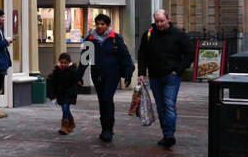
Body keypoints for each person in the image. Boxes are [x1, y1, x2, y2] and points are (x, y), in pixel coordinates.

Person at [137, 8, 194, 148]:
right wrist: (142, 72)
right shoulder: (149, 35)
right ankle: (165, 134)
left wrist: (178, 70)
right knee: (161, 106)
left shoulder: (179, 34)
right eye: (156, 21)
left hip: (171, 76)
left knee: (169, 104)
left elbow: (190, 53)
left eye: (162, 21)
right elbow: (142, 54)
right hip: (155, 76)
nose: (159, 24)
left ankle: (170, 134)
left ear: (168, 19)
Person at [82, 13, 133, 143]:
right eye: (97, 24)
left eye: (102, 24)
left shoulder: (115, 38)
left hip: (112, 74)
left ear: (108, 25)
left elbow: (125, 56)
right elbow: (84, 60)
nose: (99, 26)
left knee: (107, 98)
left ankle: (108, 129)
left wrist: (128, 72)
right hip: (97, 74)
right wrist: (78, 76)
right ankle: (104, 127)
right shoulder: (90, 39)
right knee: (102, 101)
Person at [47, 52, 82, 135]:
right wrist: (52, 95)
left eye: (65, 63)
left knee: (65, 108)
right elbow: (52, 83)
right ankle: (71, 123)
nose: (63, 65)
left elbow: (78, 80)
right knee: (65, 109)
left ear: (69, 62)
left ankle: (64, 126)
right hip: (60, 94)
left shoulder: (72, 71)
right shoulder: (57, 71)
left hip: (69, 94)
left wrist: (77, 87)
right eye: (61, 62)